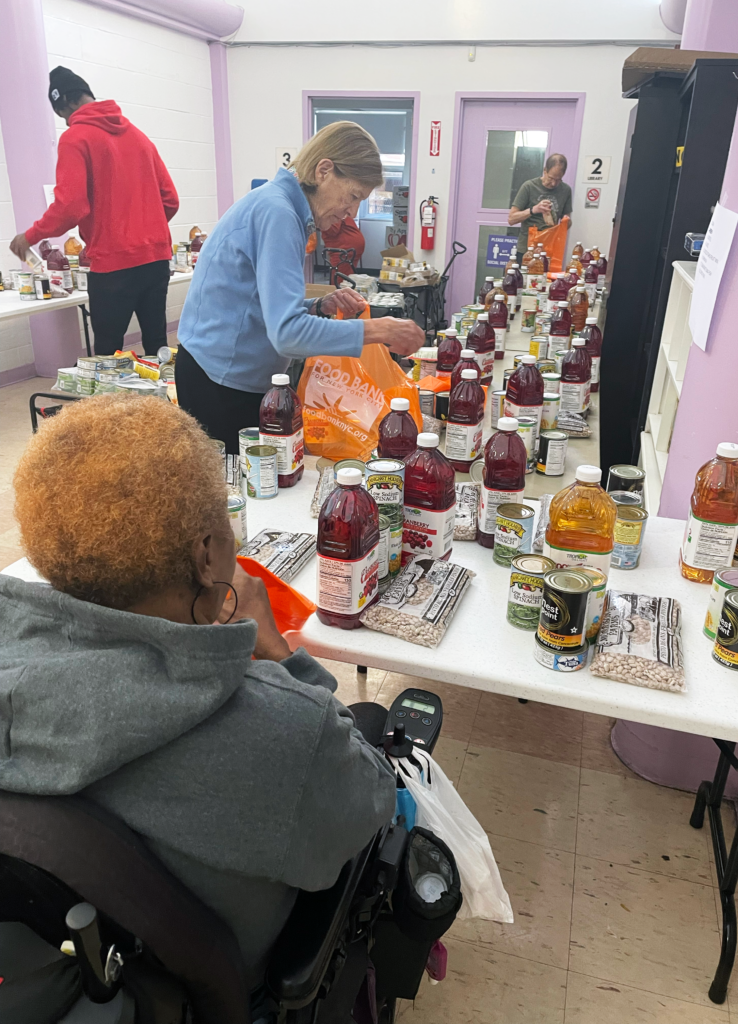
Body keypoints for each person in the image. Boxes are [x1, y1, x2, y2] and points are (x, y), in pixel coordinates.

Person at [0, 394, 395, 992]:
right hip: (223, 980)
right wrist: (283, 657)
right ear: (208, 551)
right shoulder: (285, 727)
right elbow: (370, 806)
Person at [175, 121, 424, 454]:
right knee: (240, 491)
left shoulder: (280, 206)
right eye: (352, 197)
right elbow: (287, 334)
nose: (352, 213)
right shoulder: (277, 213)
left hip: (229, 374)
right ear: (323, 171)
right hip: (220, 382)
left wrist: (317, 307)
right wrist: (377, 329)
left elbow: (263, 306)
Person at [9, 66, 179, 356]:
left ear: (68, 103)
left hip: (113, 268)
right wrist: (142, 231)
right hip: (156, 260)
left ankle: (110, 402)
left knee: (107, 354)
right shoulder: (139, 137)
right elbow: (170, 199)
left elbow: (70, 207)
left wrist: (30, 236)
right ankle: (163, 402)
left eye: (63, 115)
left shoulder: (76, 138)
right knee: (157, 347)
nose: (66, 123)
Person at [507, 153, 573, 255]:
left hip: (550, 249)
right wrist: (534, 210)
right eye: (551, 178)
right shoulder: (529, 187)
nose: (554, 184)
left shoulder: (565, 190)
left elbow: (567, 221)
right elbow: (511, 219)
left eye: (558, 179)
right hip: (526, 250)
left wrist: (565, 223)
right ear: (545, 171)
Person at [321, 214, 366, 284]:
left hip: (345, 247)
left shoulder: (332, 210)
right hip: (351, 244)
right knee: (347, 277)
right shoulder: (336, 208)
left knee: (338, 279)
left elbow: (333, 230)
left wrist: (319, 222)